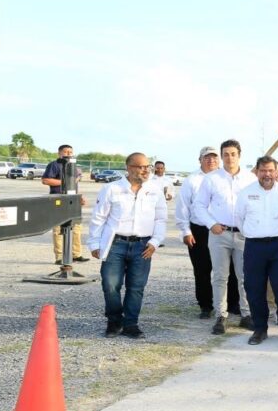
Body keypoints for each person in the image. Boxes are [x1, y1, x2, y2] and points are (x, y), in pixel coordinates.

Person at [88, 153, 167, 339]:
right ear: (129, 168)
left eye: (147, 167)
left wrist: (155, 241)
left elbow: (160, 219)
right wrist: (94, 243)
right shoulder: (111, 189)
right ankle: (114, 322)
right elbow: (99, 217)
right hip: (115, 244)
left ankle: (131, 324)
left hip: (143, 246)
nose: (146, 170)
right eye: (141, 167)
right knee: (110, 285)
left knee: (136, 287)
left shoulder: (155, 190)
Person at [192, 139, 258, 335]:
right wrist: (211, 224)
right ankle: (221, 315)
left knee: (244, 276)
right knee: (220, 276)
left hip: (244, 235)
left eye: (233, 154)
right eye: (226, 154)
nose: (230, 158)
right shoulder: (212, 179)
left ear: (239, 155)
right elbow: (199, 206)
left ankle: (246, 314)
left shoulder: (250, 179)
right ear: (222, 157)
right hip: (219, 234)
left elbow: (256, 205)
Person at [235, 156, 278, 345]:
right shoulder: (246, 193)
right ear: (257, 172)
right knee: (254, 289)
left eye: (271, 170)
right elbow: (239, 219)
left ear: (276, 172)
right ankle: (260, 328)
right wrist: (255, 233)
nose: (267, 174)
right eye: (263, 170)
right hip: (254, 246)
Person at [176, 145, 243, 318]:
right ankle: (205, 305)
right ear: (200, 160)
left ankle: (232, 303)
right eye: (207, 157)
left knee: (230, 269)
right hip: (200, 230)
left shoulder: (226, 177)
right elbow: (183, 207)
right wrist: (185, 231)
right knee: (202, 269)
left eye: (214, 157)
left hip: (224, 229)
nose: (211, 160)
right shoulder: (191, 180)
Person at [41, 144, 88, 264]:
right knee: (58, 229)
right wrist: (65, 182)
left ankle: (76, 255)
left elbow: (75, 183)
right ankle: (59, 257)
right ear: (59, 153)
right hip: (58, 200)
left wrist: (80, 197)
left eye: (70, 152)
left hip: (72, 200)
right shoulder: (54, 165)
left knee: (76, 228)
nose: (68, 154)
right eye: (66, 152)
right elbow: (45, 180)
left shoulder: (73, 166)